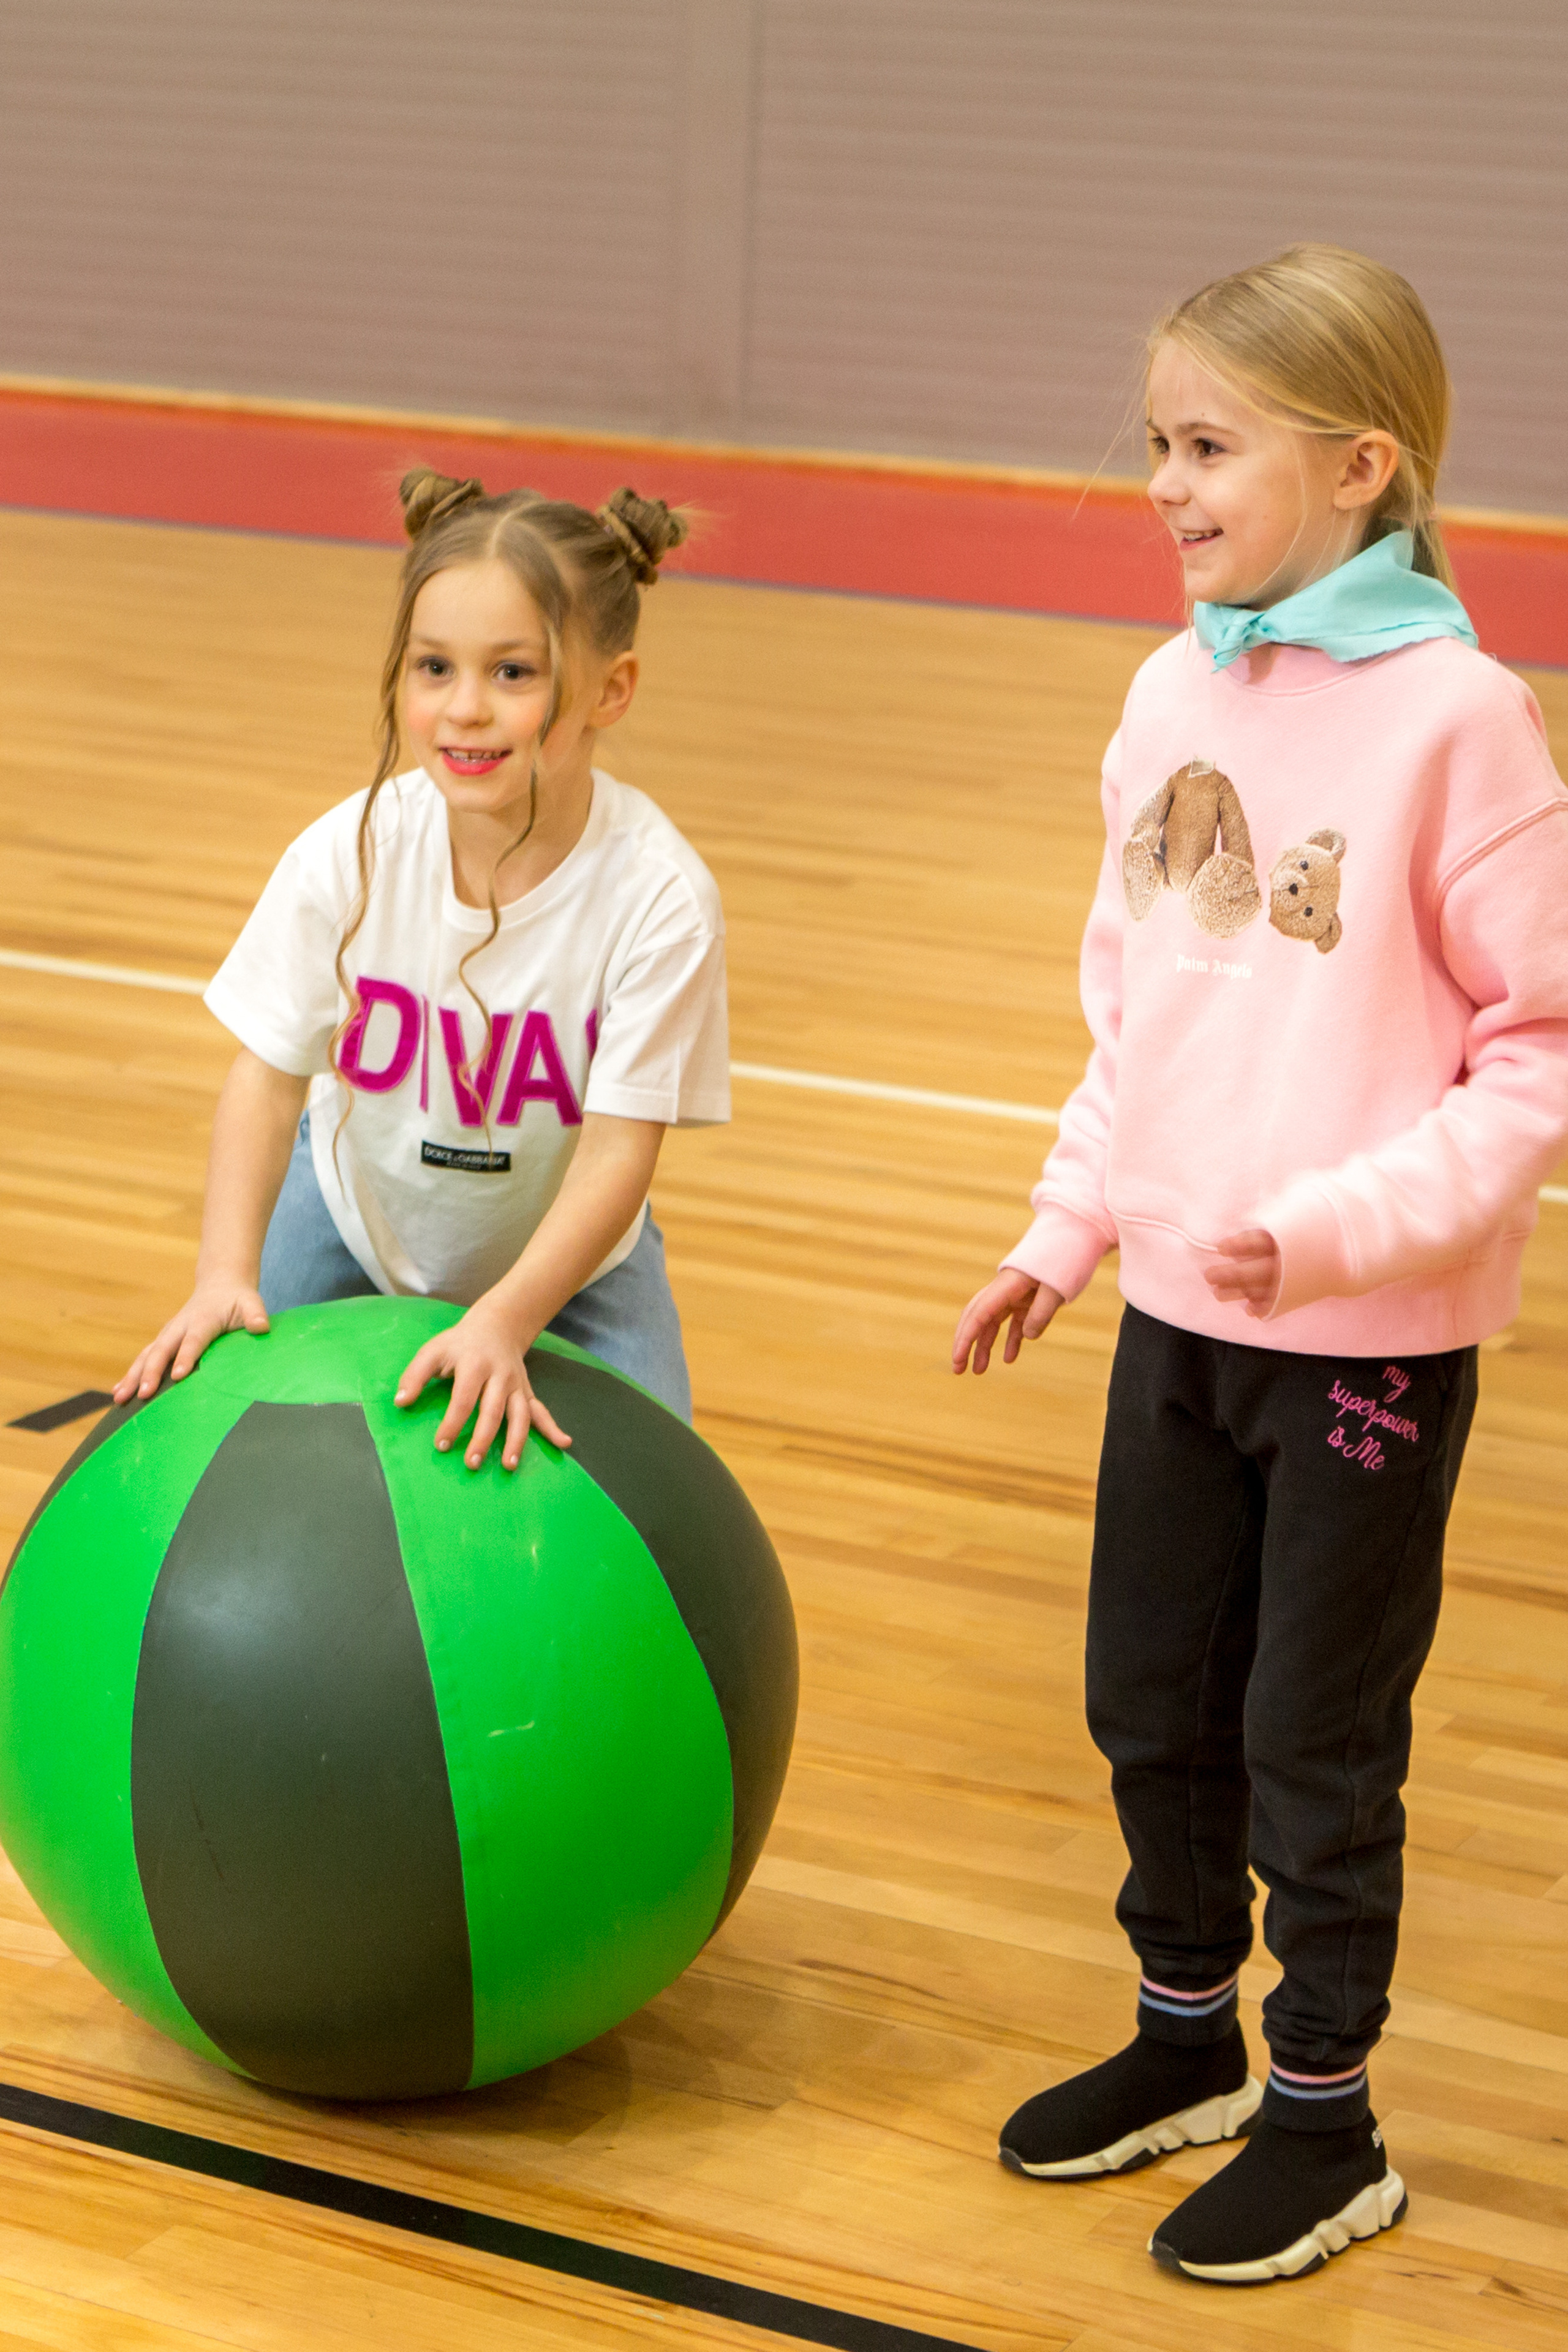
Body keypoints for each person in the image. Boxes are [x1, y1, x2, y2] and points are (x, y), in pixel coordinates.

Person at [952, 246, 1568, 2283]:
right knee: (1153, 1701)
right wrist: (1069, 1226)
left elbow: (1536, 1055)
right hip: (1172, 1324)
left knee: (1316, 1735)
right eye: (1158, 442)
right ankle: (1185, 2042)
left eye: (1208, 445)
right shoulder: (1168, 688)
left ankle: (1329, 2118)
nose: (1164, 482)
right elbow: (1142, 1011)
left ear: (1359, 464)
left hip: (1363, 1344)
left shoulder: (1462, 724)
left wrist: (1329, 1234)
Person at [116, 469, 728, 1462]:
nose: (465, 710)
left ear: (611, 689)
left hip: (572, 1260)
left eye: (514, 674)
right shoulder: (348, 852)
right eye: (433, 668)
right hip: (353, 1215)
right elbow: (268, 1081)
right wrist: (225, 1270)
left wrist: (507, 1319)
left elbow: (619, 1155)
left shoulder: (658, 897)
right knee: (232, 1454)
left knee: (663, 1504)